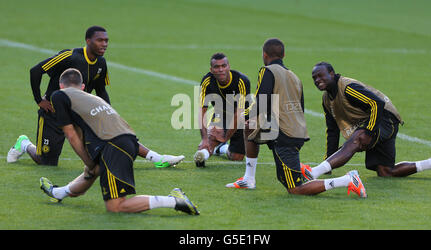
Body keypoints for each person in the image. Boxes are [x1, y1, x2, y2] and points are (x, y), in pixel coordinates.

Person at [7, 25, 183, 168]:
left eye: (106, 40)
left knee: (115, 132)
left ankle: (157, 158)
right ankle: (24, 144)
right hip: (54, 113)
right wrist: (40, 100)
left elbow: (101, 90)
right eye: (100, 40)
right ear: (88, 41)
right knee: (46, 162)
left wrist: (108, 111)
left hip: (80, 112)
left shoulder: (101, 63)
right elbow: (36, 71)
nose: (104, 44)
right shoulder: (69, 56)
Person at [39, 68, 199, 214]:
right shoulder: (93, 99)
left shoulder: (59, 95)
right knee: (93, 172)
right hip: (129, 142)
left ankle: (174, 200)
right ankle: (57, 193)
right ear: (82, 87)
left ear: (61, 86)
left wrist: (88, 161)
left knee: (115, 206)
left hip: (112, 145)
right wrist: (91, 166)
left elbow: (71, 135)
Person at [226, 39, 367, 198]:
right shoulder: (294, 76)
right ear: (284, 55)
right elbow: (300, 107)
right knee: (250, 128)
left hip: (284, 135)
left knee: (295, 188)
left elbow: (261, 102)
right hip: (294, 131)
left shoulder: (267, 71)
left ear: (264, 55)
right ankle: (248, 179)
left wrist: (242, 116)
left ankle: (348, 180)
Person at [302, 62, 431, 180]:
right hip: (374, 121)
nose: (317, 80)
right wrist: (329, 157)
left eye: (321, 76)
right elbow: (332, 129)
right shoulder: (326, 100)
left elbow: (376, 103)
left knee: (356, 139)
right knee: (386, 171)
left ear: (332, 74)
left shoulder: (347, 87)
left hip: (386, 119)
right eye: (314, 78)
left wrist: (369, 131)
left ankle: (314, 172)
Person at [193, 53, 251, 167]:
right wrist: (204, 139)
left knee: (236, 157)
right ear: (211, 69)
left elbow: (239, 114)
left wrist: (225, 137)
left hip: (243, 118)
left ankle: (222, 148)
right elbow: (202, 111)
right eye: (216, 67)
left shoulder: (241, 81)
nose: (221, 70)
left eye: (223, 66)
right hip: (221, 115)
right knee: (211, 140)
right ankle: (202, 155)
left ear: (229, 66)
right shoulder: (207, 81)